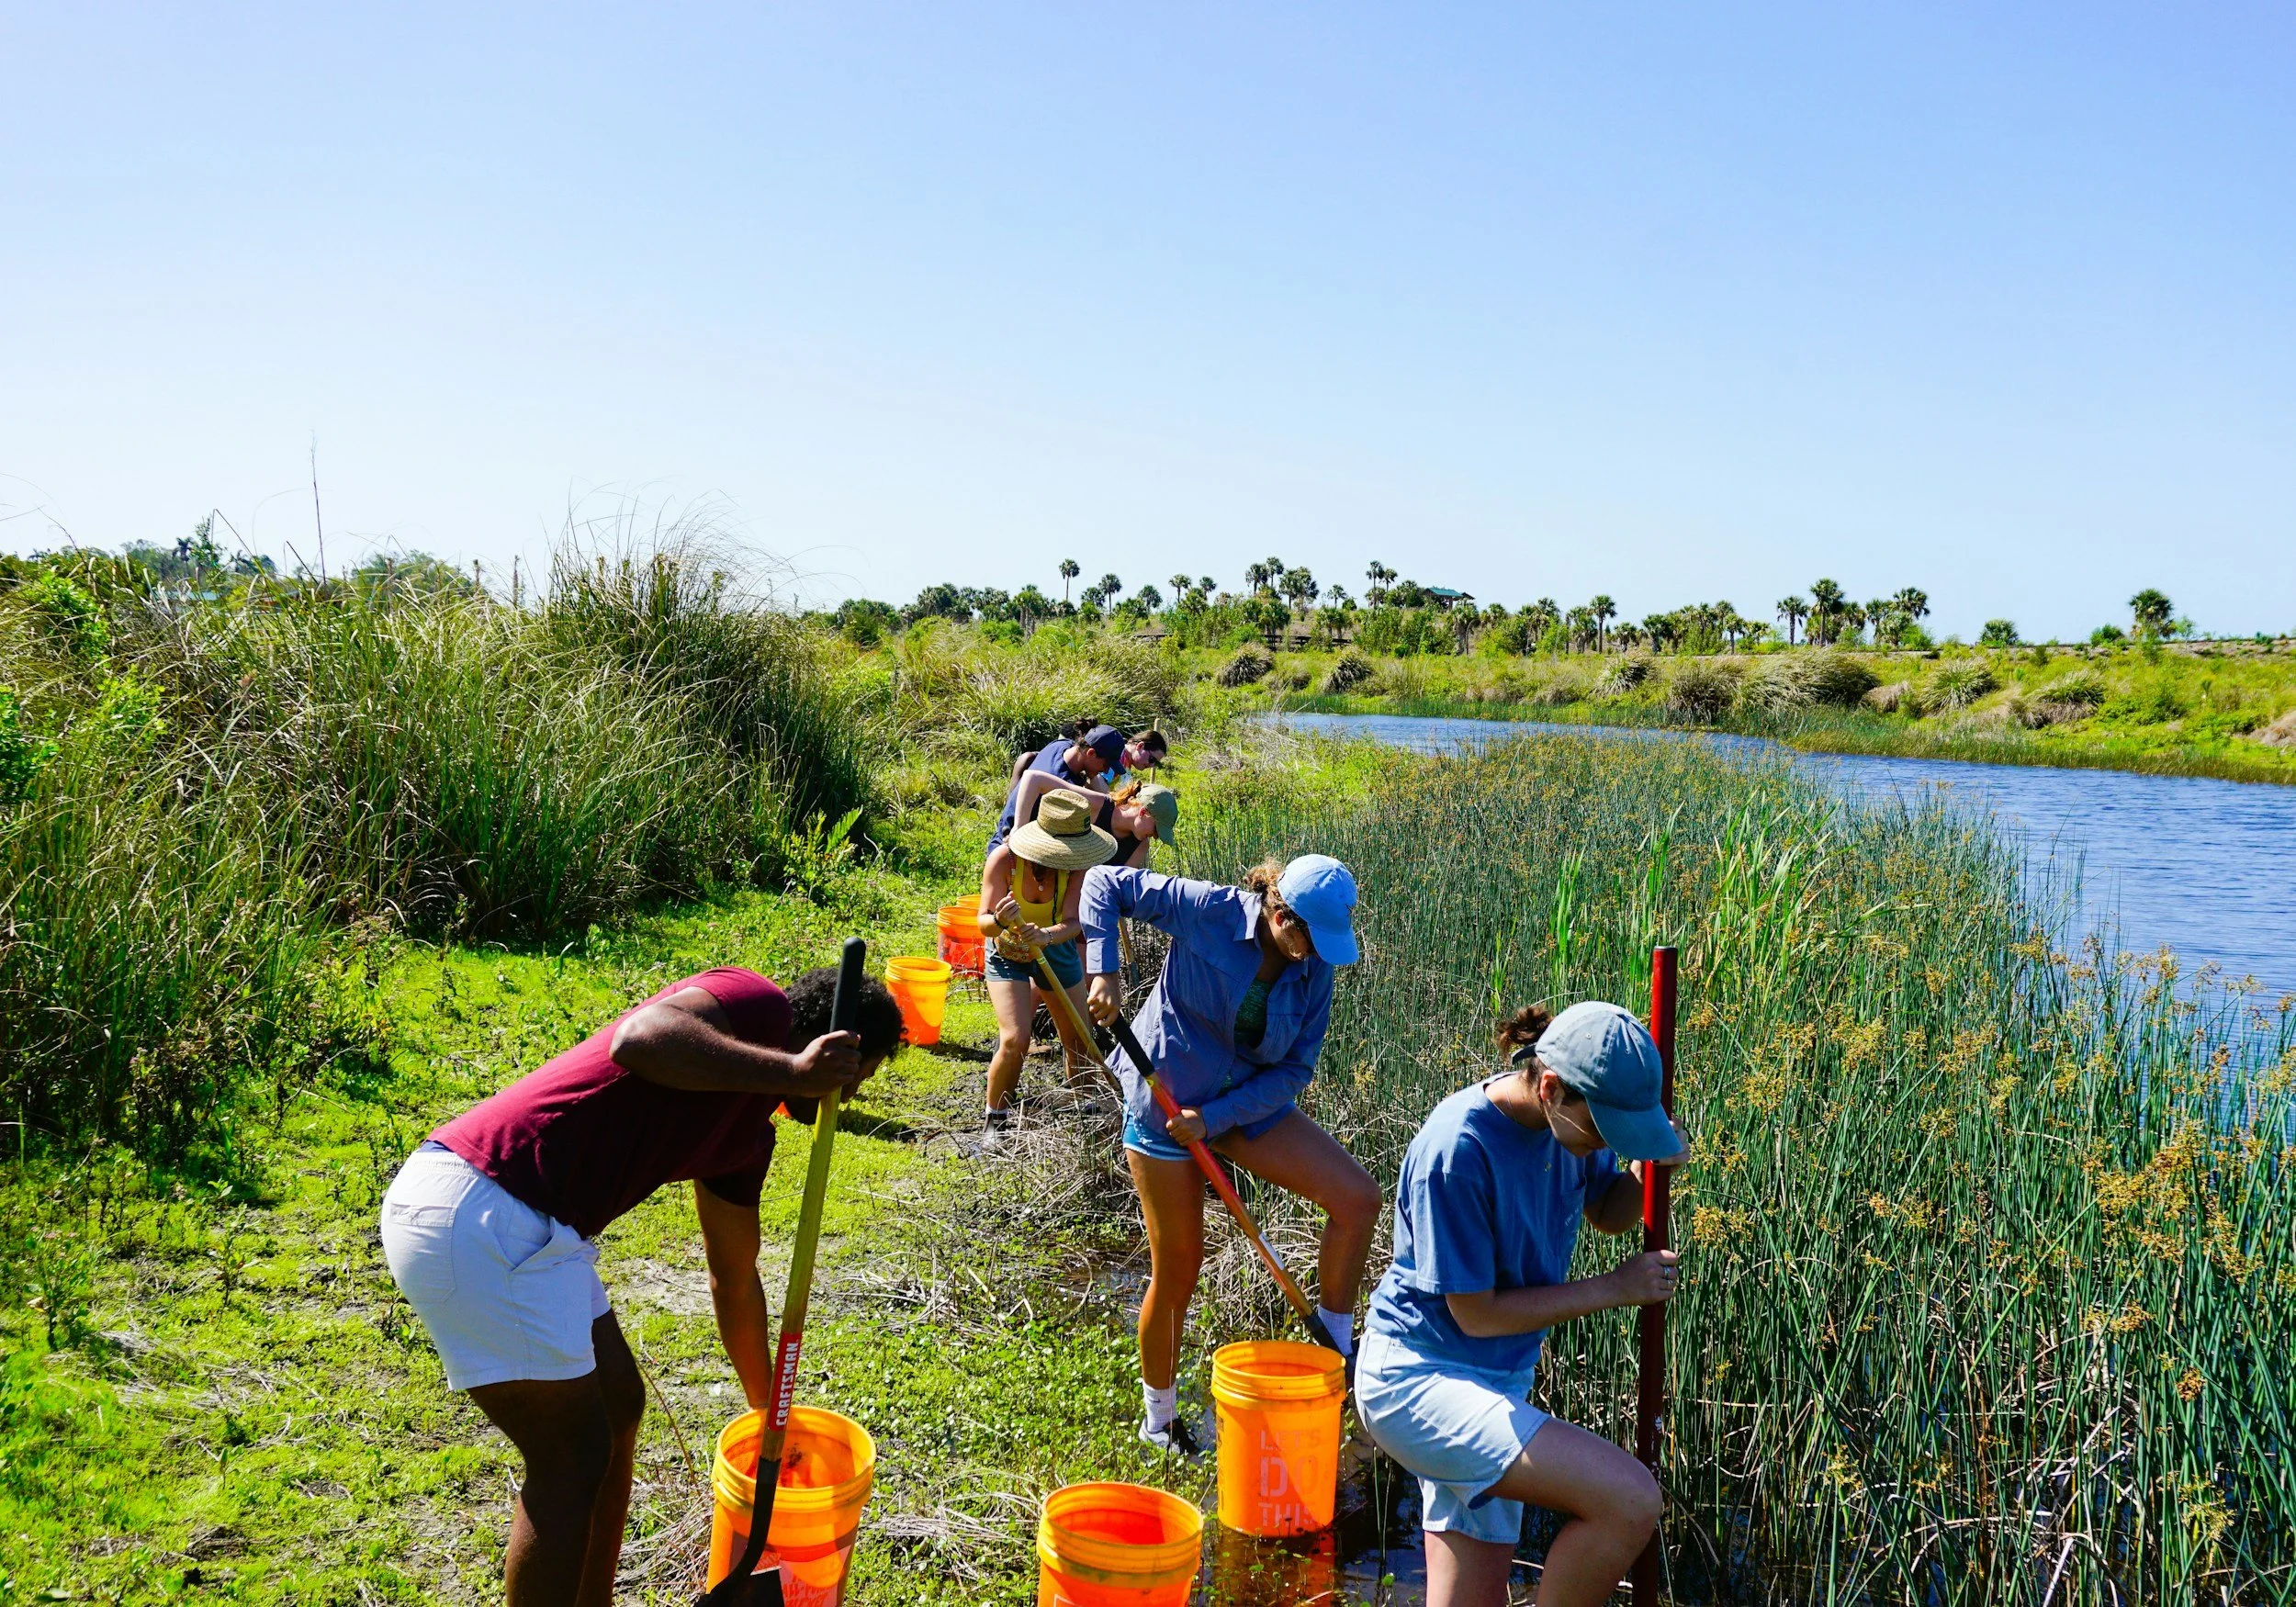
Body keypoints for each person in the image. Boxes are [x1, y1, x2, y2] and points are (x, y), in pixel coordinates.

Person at [377, 963, 905, 1607]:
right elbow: (641, 1037)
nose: (844, 1100)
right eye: (855, 1077)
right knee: (570, 1459)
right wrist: (793, 1073)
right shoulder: (756, 1006)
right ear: (832, 1048)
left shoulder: (743, 1140)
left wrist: (772, 1416)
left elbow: (733, 1280)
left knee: (618, 1404)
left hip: (535, 1230)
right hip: (484, 1207)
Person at [1354, 1001, 1692, 1607]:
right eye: (1604, 1130)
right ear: (1553, 1088)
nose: (1603, 1146)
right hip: (1416, 1380)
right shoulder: (1457, 1150)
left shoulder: (1565, 1130)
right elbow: (1475, 1314)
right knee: (1629, 1500)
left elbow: (1608, 1212)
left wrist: (1645, 1167)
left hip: (1496, 1381)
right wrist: (1613, 1290)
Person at [1080, 855, 1383, 1455]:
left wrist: (1215, 1120)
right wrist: (1103, 973)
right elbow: (1102, 883)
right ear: (1278, 912)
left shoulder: (1314, 966)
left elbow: (1296, 1067)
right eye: (1306, 938)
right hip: (1165, 1100)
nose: (1313, 954)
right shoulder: (1210, 910)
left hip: (1239, 1107)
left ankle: (1335, 1351)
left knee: (1359, 1199)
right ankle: (1159, 1423)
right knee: (1179, 1270)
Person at [977, 790, 1120, 1133]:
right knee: (1015, 1039)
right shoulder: (1005, 861)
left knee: (1079, 1037)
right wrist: (998, 919)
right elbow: (982, 922)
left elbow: (1074, 923)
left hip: (1054, 950)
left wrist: (1047, 936)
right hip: (1007, 951)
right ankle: (995, 1122)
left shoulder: (1076, 871)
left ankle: (1085, 1113)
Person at [1007, 765, 1178, 871]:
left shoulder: (1140, 846)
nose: (1155, 836)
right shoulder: (1096, 805)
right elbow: (1033, 778)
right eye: (1156, 829)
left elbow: (1119, 884)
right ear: (1143, 813)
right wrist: (1018, 828)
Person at [992, 724, 1127, 847]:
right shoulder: (1062, 785)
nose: (1106, 771)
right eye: (1106, 765)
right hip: (1010, 845)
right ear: (1091, 753)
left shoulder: (1062, 745)